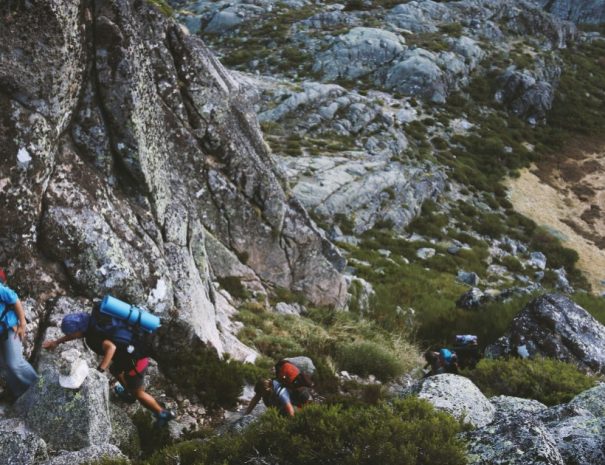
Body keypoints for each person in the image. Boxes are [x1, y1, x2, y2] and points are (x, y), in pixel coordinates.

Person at [43, 308, 175, 426]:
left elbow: (111, 348)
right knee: (115, 370)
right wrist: (56, 342)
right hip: (126, 356)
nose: (71, 336)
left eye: (72, 333)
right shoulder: (92, 320)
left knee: (139, 393)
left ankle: (162, 413)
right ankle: (128, 392)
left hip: (136, 360)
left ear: (79, 330)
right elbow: (75, 334)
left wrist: (99, 371)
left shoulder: (94, 336)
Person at [0, 267, 38, 399]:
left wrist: (22, 323)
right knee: (4, 365)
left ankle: (38, 388)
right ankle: (19, 394)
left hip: (10, 328)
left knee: (15, 363)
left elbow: (14, 299)